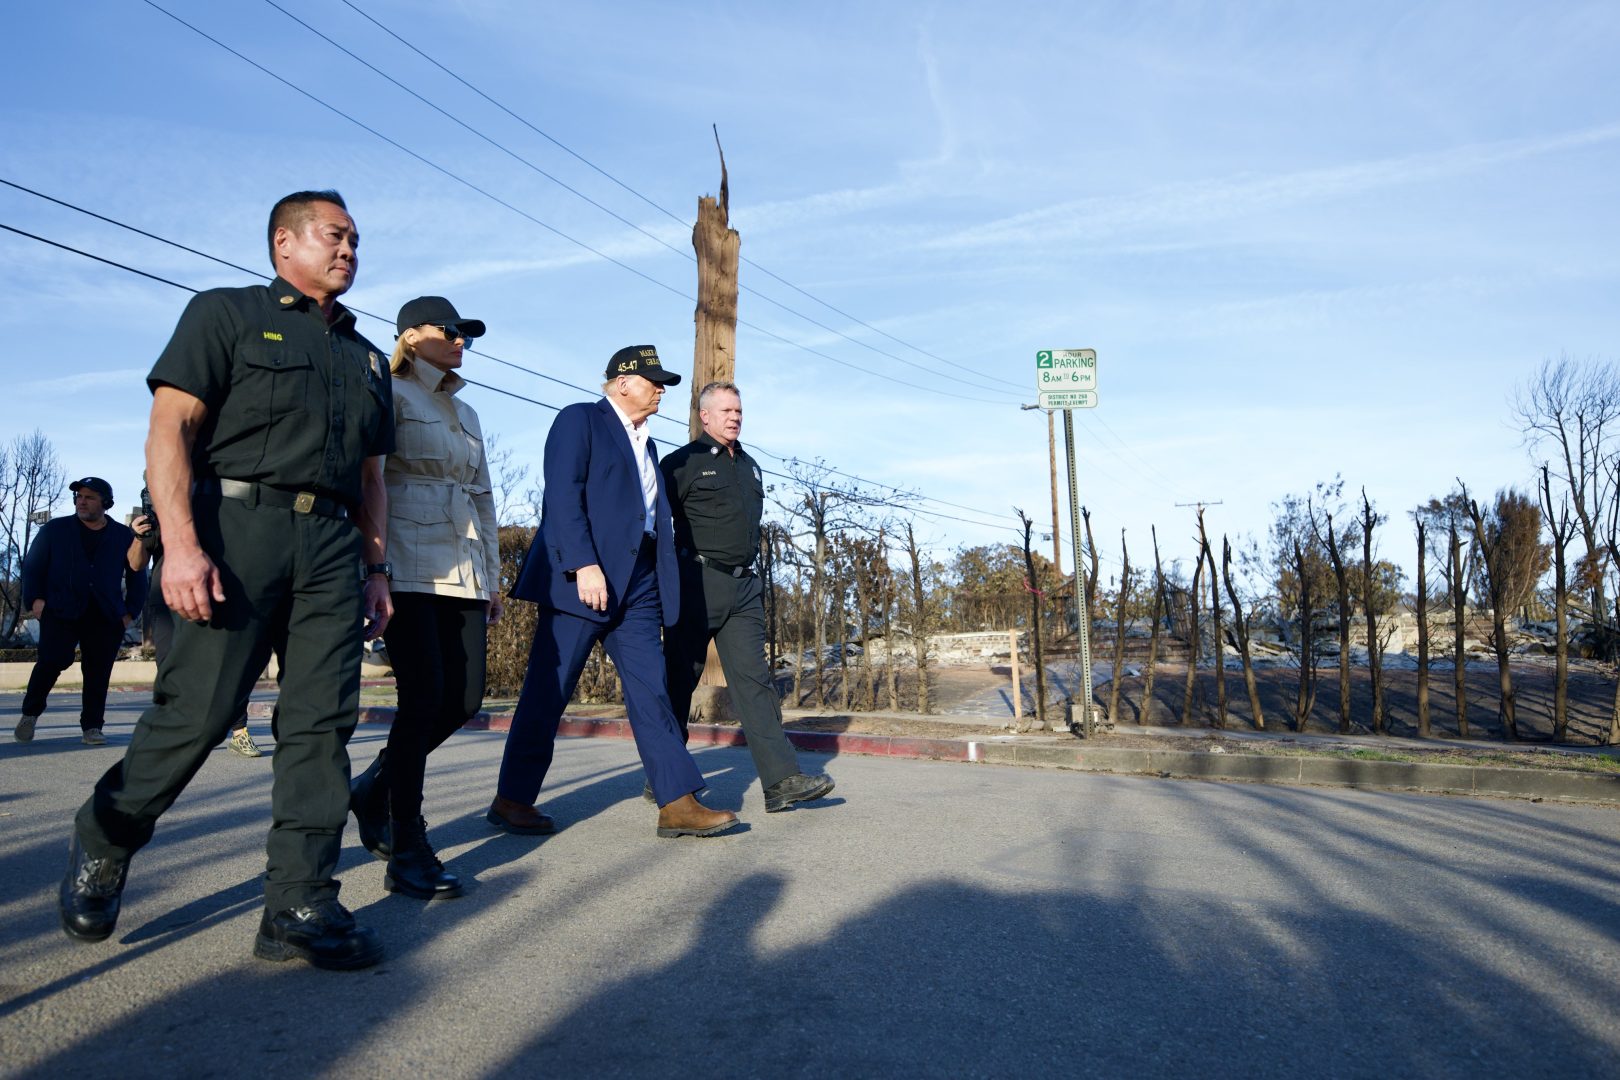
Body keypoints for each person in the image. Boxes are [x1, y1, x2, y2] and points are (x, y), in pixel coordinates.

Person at [59, 190, 395, 971]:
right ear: (285, 242)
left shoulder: (366, 356)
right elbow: (169, 428)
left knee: (321, 726)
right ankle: (106, 832)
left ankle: (299, 903)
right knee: (201, 712)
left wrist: (376, 568)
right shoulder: (228, 314)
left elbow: (373, 475)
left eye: (356, 241)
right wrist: (180, 546)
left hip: (333, 546)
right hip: (235, 531)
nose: (350, 250)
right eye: (335, 236)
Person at [492, 346, 740, 839]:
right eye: (653, 380)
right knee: (549, 691)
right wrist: (584, 563)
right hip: (582, 581)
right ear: (623, 382)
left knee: (653, 693)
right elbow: (562, 494)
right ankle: (512, 799)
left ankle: (677, 802)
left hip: (640, 583)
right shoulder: (580, 420)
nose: (661, 388)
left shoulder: (645, 444)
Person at [347, 296, 499, 902]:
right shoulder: (386, 390)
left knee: (463, 699)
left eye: (468, 332)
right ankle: (408, 845)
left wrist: (490, 576)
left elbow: (483, 498)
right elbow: (370, 481)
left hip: (462, 567)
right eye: (451, 329)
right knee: (422, 700)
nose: (461, 339)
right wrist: (373, 567)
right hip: (407, 565)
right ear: (411, 336)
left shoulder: (466, 411)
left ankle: (375, 786)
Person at [661, 382, 835, 812]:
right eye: (725, 410)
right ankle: (665, 773)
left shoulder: (751, 466)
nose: (734, 417)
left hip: (744, 589)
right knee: (679, 681)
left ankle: (781, 781)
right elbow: (653, 522)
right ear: (705, 416)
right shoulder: (680, 464)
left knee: (756, 684)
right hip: (696, 583)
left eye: (738, 410)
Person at [129, 486, 264, 758]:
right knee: (170, 666)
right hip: (167, 601)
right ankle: (174, 734)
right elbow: (135, 564)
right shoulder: (158, 517)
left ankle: (239, 732)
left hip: (214, 595)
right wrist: (137, 536)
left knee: (228, 664)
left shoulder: (215, 510)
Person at [14, 477, 146, 746]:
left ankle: (92, 727)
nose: (81, 501)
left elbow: (137, 574)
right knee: (51, 661)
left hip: (106, 614)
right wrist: (36, 600)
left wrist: (130, 611)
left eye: (89, 497)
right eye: (79, 496)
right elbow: (33, 567)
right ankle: (30, 713)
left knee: (98, 671)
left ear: (105, 503)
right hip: (61, 610)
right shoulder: (55, 529)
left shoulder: (122, 536)